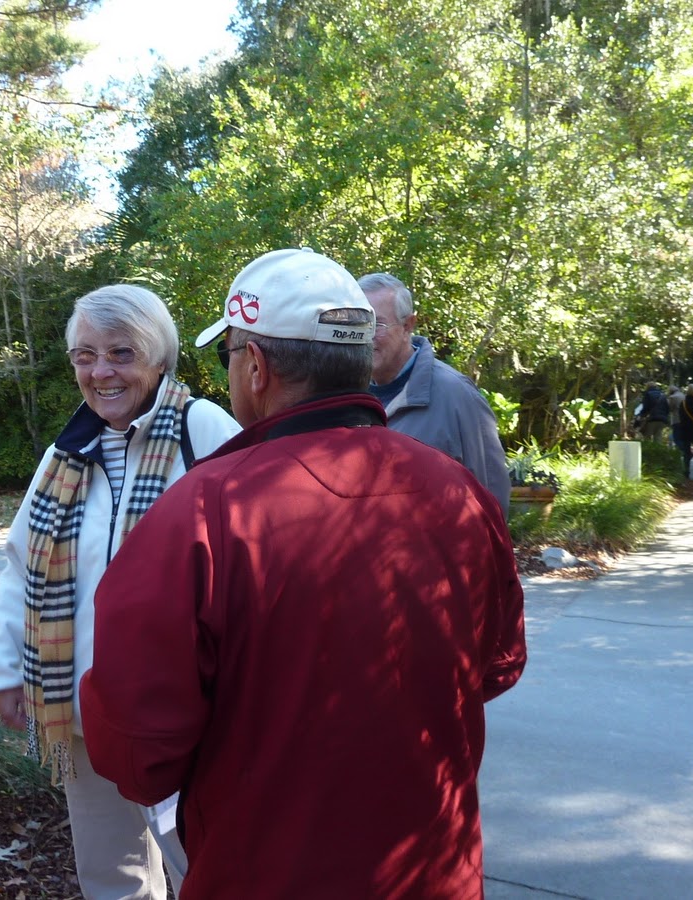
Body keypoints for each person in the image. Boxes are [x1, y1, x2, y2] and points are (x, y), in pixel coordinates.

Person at [79, 249, 528, 900]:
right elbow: (498, 665)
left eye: (228, 354)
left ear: (256, 367)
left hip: (264, 875)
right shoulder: (459, 493)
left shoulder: (204, 511)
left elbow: (136, 750)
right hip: (436, 873)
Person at [0, 284, 241, 899]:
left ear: (159, 358)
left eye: (122, 353)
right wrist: (4, 670)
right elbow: (22, 567)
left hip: (182, 712)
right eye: (85, 356)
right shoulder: (65, 454)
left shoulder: (202, 430)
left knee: (205, 866)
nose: (101, 372)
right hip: (83, 709)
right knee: (110, 873)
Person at [358, 272, 511, 513]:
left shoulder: (457, 396)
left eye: (377, 324)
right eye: (359, 324)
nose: (366, 336)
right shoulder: (349, 397)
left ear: (408, 325)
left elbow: (492, 501)